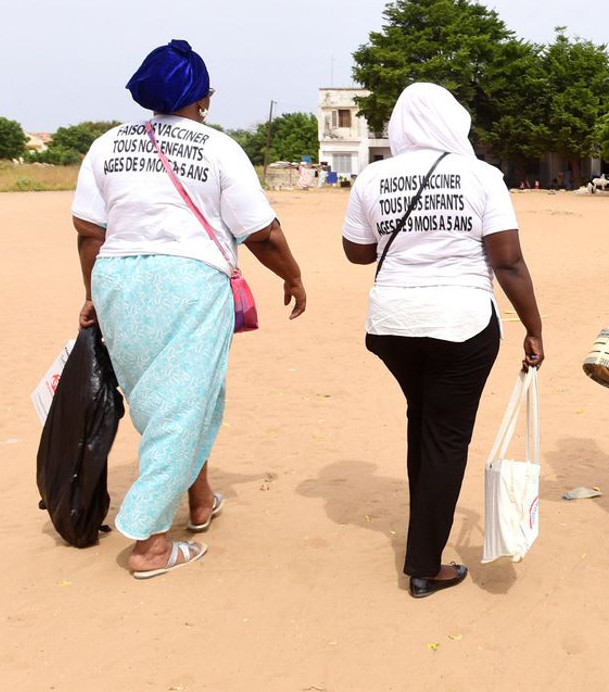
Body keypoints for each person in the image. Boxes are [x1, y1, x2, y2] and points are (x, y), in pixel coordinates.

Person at [71, 40, 307, 579]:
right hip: (188, 281)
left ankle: (200, 501)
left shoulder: (106, 145)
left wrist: (91, 294)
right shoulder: (218, 147)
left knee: (169, 397)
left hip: (118, 280)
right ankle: (151, 545)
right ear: (201, 97)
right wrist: (292, 275)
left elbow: (89, 233)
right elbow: (262, 233)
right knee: (181, 404)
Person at [341, 82, 544, 598]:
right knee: (446, 438)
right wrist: (535, 328)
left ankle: (422, 544)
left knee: (425, 424)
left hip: (391, 326)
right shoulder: (481, 177)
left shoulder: (373, 175)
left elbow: (358, 253)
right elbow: (507, 260)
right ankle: (424, 565)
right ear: (454, 122)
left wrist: (403, 235)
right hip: (462, 323)